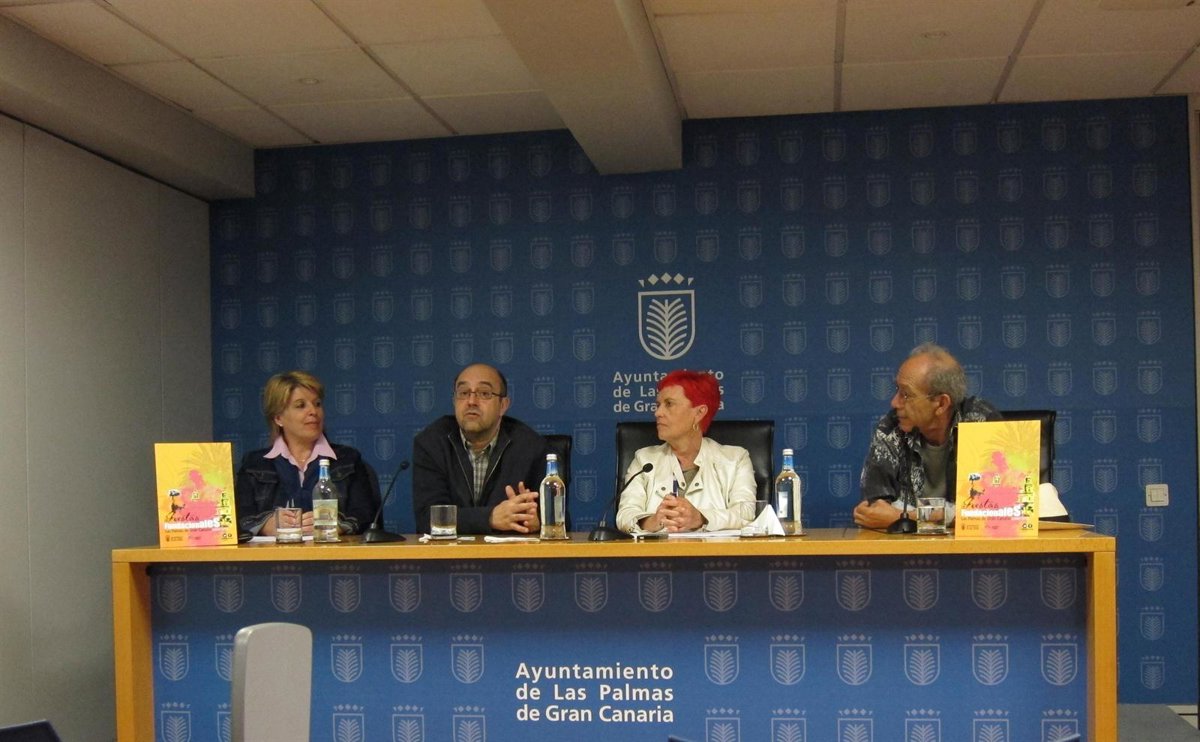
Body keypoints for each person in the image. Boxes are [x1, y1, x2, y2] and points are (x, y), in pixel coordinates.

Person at [854, 343, 1001, 530]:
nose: (894, 402)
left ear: (941, 404)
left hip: (971, 545)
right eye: (897, 390)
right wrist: (951, 515)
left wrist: (907, 517)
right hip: (908, 547)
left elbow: (997, 510)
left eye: (906, 394)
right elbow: (872, 510)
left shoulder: (981, 422)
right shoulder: (891, 427)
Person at [235, 371, 379, 536]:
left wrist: (338, 525)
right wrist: (265, 525)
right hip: (274, 551)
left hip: (331, 550)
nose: (313, 411)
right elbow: (238, 517)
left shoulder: (348, 459)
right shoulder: (254, 464)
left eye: (317, 404)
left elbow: (365, 515)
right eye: (301, 405)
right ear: (278, 418)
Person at [412, 363, 548, 535]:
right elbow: (428, 519)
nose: (471, 402)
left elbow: (559, 519)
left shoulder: (530, 447)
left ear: (503, 405)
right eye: (463, 393)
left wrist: (539, 522)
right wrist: (489, 518)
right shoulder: (431, 444)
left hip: (509, 551)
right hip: (449, 552)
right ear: (454, 401)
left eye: (484, 393)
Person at [616, 370, 756, 534]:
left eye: (669, 404)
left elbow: (745, 514)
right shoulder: (644, 460)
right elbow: (625, 515)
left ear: (699, 413)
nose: (658, 413)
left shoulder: (735, 459)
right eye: (658, 405)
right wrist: (652, 521)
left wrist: (700, 518)